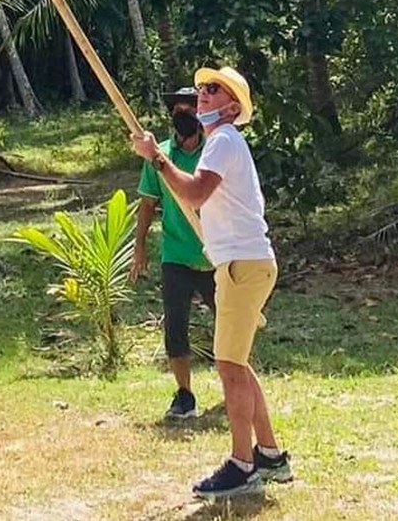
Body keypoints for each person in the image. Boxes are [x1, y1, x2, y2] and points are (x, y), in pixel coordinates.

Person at [132, 66, 292, 497]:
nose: (202, 94)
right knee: (236, 363)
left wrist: (157, 158)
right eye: (202, 87)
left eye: (213, 89)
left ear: (232, 107)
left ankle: (243, 464)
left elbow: (195, 193)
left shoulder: (222, 140)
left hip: (243, 265)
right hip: (241, 264)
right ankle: (271, 456)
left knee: (229, 367)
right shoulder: (222, 142)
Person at [132, 86, 215, 421]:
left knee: (230, 323)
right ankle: (184, 394)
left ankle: (235, 382)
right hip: (176, 253)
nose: (183, 116)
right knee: (175, 327)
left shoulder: (215, 152)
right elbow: (147, 204)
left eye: (190, 110)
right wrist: (139, 247)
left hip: (215, 255)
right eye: (178, 111)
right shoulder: (159, 156)